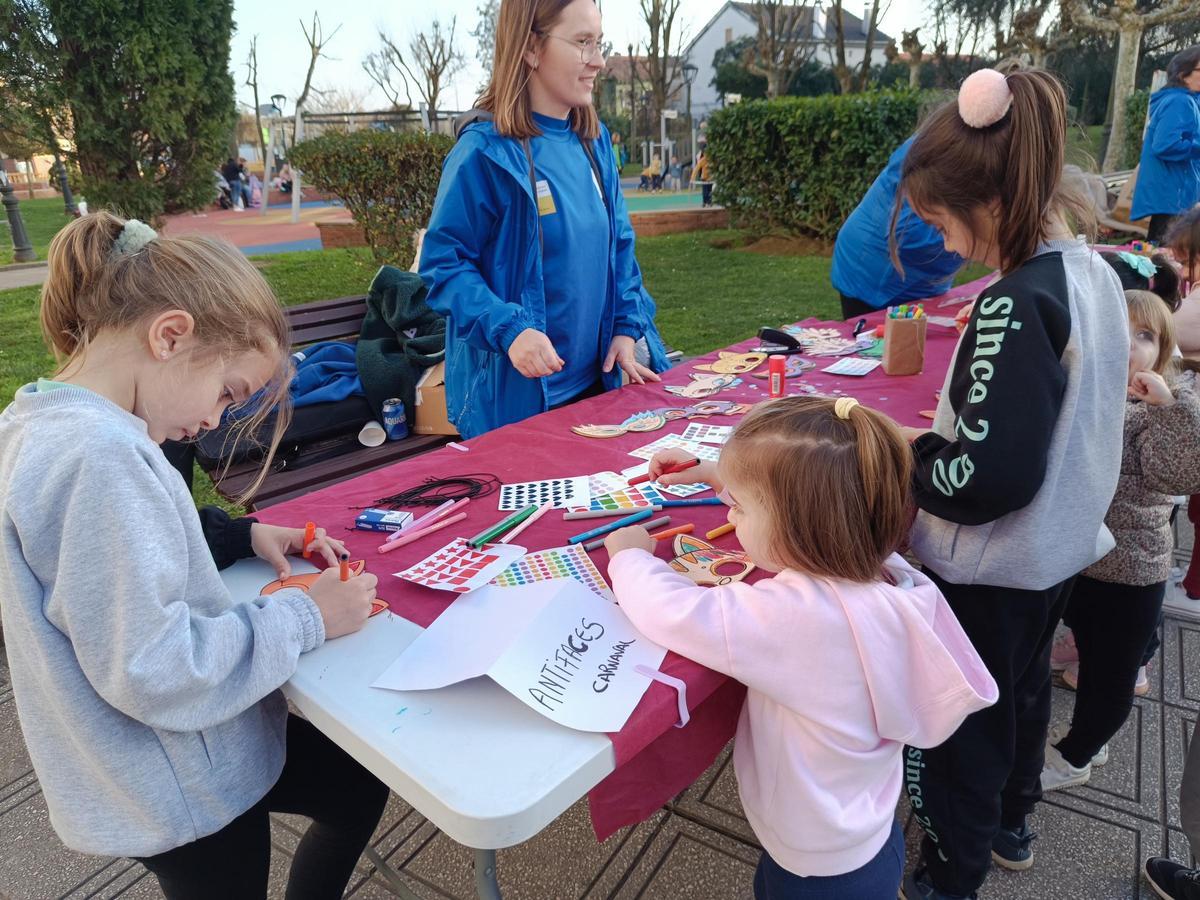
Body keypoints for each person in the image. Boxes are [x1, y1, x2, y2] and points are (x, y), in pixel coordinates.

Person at [0, 211, 389, 898]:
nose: (214, 421)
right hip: (183, 787)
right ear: (171, 335)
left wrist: (243, 535)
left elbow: (117, 548)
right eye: (228, 393)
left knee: (354, 789)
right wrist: (307, 616)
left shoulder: (46, 421)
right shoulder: (101, 458)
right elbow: (155, 669)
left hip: (171, 758)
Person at [604, 397, 997, 900]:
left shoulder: (795, 618)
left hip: (813, 870)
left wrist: (631, 558)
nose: (729, 512)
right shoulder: (890, 574)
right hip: (867, 836)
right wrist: (713, 474)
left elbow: (670, 611)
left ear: (798, 528)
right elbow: (811, 505)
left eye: (739, 507)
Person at [894, 66, 1130, 900]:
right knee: (1023, 696)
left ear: (987, 202)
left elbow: (987, 474)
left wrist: (910, 461)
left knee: (958, 730)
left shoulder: (1012, 303)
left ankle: (948, 873)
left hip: (986, 570)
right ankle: (1011, 820)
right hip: (1057, 553)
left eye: (939, 222)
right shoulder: (1095, 274)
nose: (945, 244)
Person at [419, 0, 669, 440]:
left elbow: (620, 251)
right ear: (532, 48)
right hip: (517, 409)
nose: (599, 60)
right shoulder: (483, 153)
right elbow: (443, 267)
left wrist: (627, 329)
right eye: (582, 43)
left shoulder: (594, 143)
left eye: (599, 42)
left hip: (599, 390)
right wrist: (511, 331)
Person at [1040, 291, 1200, 797]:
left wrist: (1171, 408)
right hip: (1079, 558)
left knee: (1111, 677)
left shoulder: (1163, 407)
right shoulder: (1086, 389)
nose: (1130, 346)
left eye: (1146, 336)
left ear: (1163, 350)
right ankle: (1091, 732)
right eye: (1119, 331)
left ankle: (1076, 755)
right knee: (1087, 649)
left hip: (1131, 570)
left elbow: (1179, 472)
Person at [832, 136, 964, 319]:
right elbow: (906, 236)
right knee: (875, 342)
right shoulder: (942, 147)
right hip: (874, 268)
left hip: (920, 277)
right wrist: (976, 236)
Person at [1131, 45, 1200, 245]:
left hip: (1174, 195)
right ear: (1183, 75)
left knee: (1165, 255)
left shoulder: (1186, 100)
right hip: (1172, 197)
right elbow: (1165, 144)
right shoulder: (1179, 101)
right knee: (1166, 256)